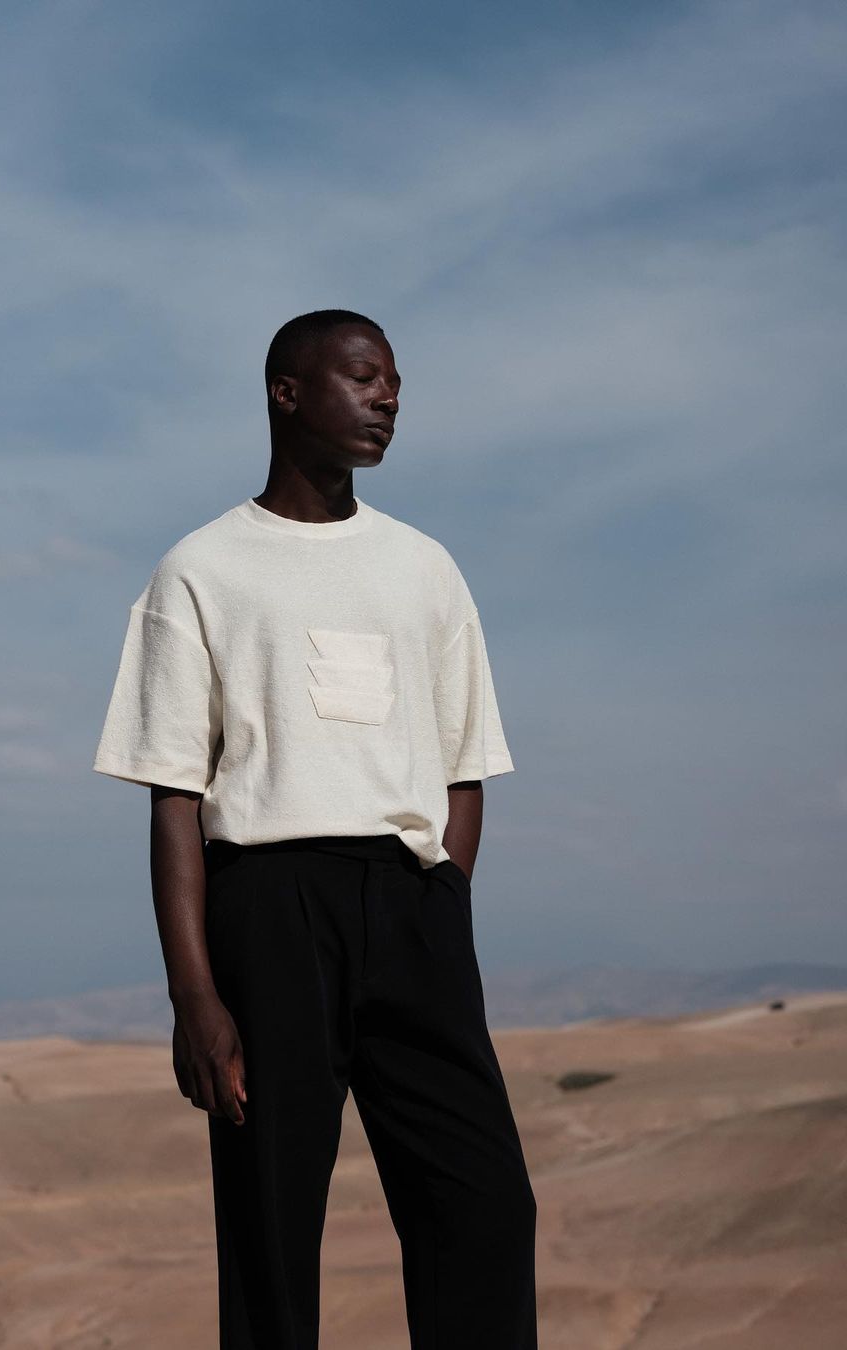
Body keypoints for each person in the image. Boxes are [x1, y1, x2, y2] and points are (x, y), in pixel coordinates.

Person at [93, 309, 538, 1348]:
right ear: (286, 394)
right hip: (268, 912)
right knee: (271, 1231)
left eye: (394, 381)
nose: (389, 398)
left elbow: (465, 764)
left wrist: (443, 899)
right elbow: (174, 797)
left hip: (413, 905)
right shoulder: (201, 569)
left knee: (484, 1208)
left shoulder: (424, 567)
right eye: (364, 377)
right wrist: (195, 995)